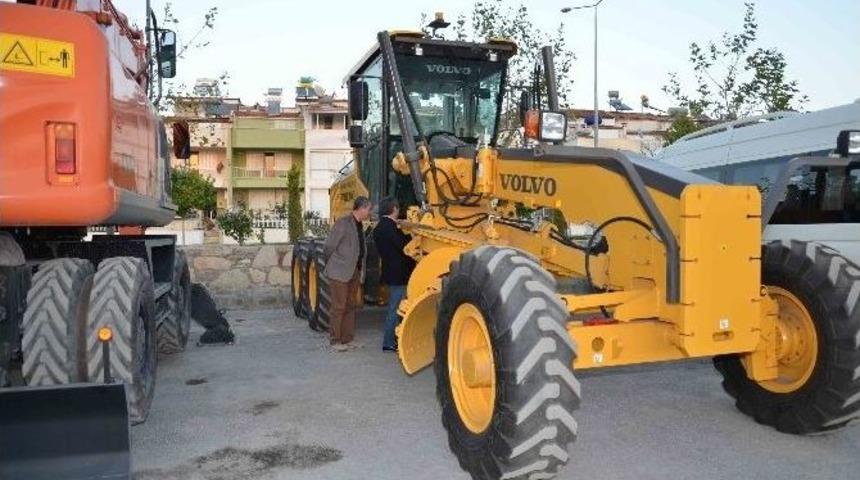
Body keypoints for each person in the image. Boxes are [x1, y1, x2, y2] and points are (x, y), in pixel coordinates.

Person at [323, 196, 372, 351]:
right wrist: (334, 264)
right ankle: (335, 341)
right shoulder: (343, 223)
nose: (369, 212)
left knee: (351, 306)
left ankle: (347, 339)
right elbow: (329, 246)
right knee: (338, 306)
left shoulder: (360, 226)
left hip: (354, 271)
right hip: (340, 272)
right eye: (368, 209)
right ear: (362, 208)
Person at [372, 196, 416, 352]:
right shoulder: (392, 229)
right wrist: (412, 235)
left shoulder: (378, 228)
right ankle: (389, 342)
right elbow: (405, 247)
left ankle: (393, 340)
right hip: (400, 274)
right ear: (394, 209)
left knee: (395, 307)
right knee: (396, 309)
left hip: (390, 272)